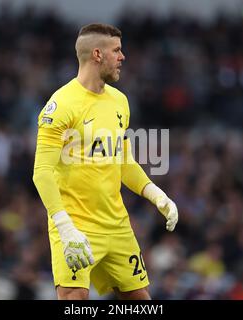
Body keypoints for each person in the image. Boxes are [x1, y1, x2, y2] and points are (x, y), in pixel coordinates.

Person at [32, 23, 178, 300]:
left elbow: (124, 163)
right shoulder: (61, 105)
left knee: (140, 299)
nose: (123, 57)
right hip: (76, 225)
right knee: (75, 299)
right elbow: (42, 172)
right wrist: (64, 227)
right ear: (97, 54)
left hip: (117, 225)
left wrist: (156, 194)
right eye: (117, 50)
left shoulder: (120, 102)